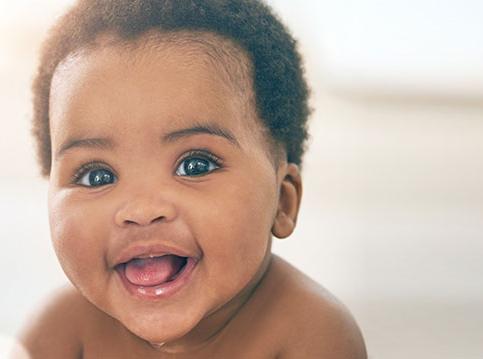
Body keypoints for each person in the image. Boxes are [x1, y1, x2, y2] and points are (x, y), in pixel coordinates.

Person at [19, 0, 366, 357]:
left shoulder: (312, 334)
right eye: (96, 175)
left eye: (195, 166)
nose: (141, 209)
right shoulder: (61, 330)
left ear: (282, 201)